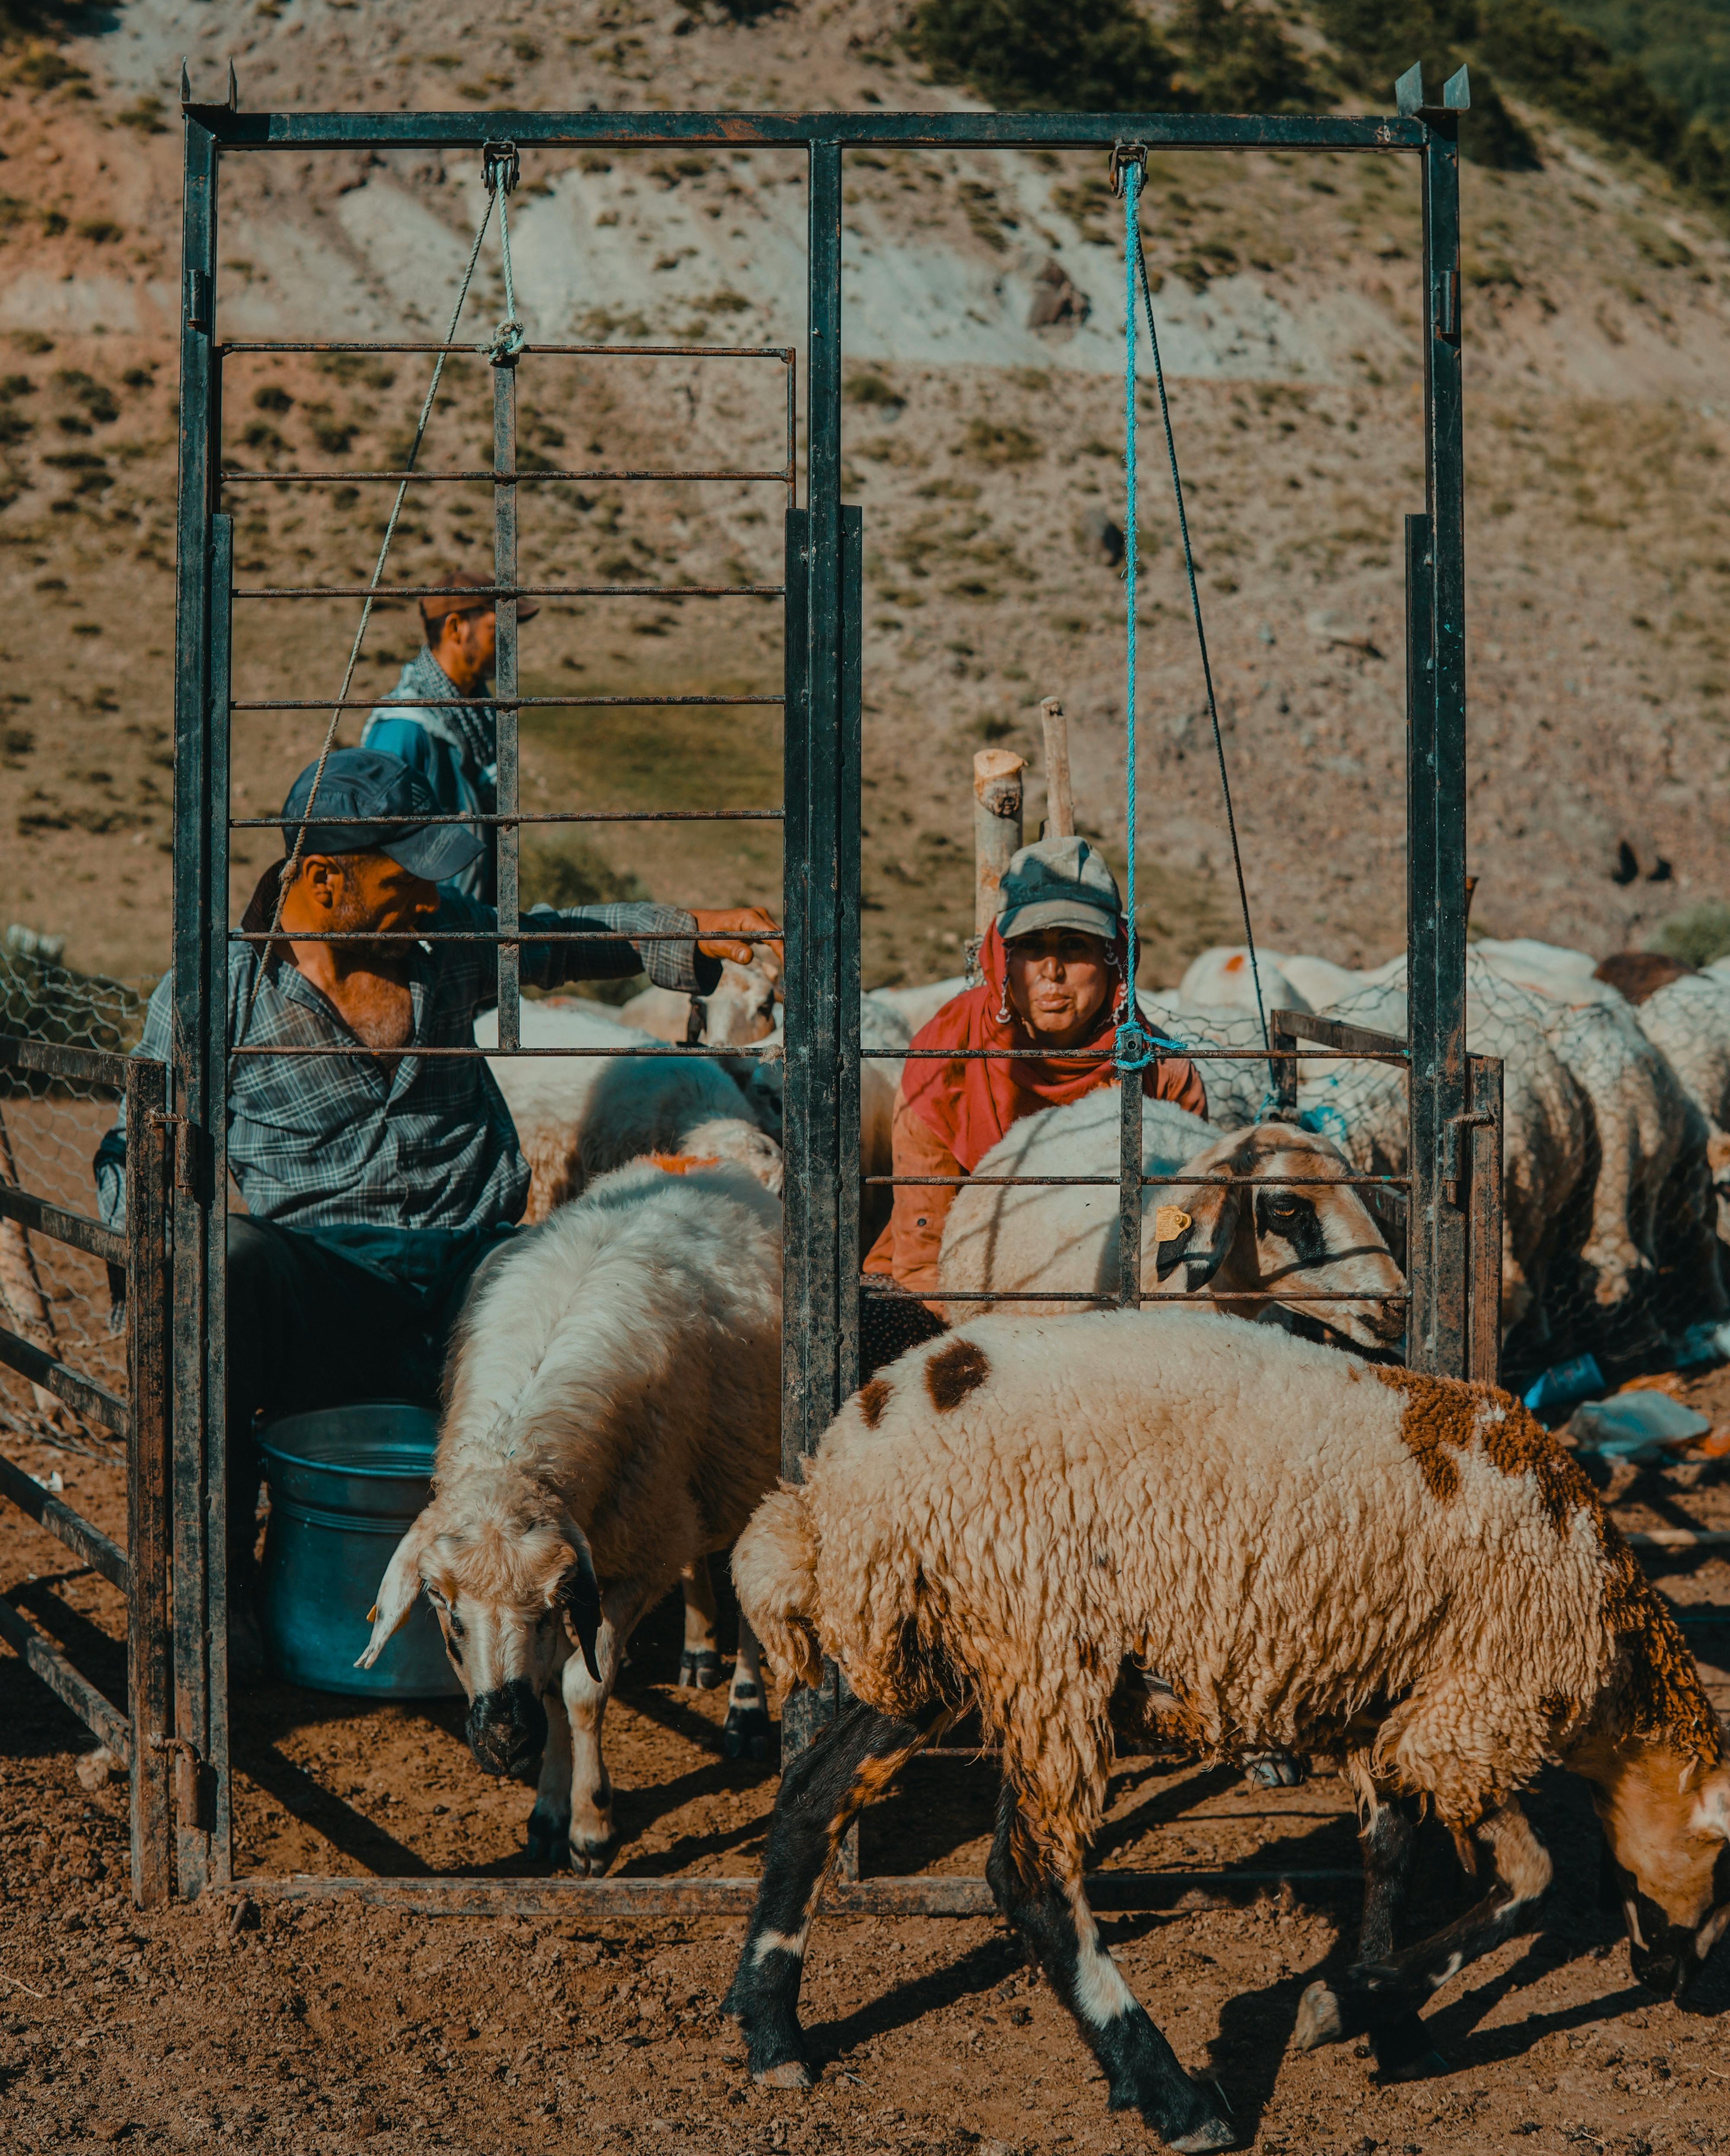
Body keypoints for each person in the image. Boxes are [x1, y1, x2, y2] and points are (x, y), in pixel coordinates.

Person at [95, 746, 778, 1669]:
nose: (430, 898)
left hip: (476, 1270)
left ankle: (574, 1567)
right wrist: (142, 1245)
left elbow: (552, 940)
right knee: (222, 1262)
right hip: (321, 1279)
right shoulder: (213, 998)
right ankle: (218, 1587)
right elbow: (134, 1146)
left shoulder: (440, 942)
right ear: (324, 879)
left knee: (578, 1283)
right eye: (406, 878)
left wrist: (693, 930)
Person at [864, 837, 1205, 1301]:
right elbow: (924, 1251)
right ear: (1001, 956)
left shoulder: (1158, 1070)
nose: (1051, 971)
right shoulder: (948, 1053)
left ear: (1114, 958)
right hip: (959, 1291)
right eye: (1029, 945)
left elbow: (1176, 1229)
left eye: (1073, 945)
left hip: (1116, 1298)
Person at [360, 567, 537, 906]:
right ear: (456, 628)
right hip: (434, 926)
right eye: (497, 628)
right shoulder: (404, 728)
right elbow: (374, 851)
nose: (509, 643)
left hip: (476, 920)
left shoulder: (482, 714)